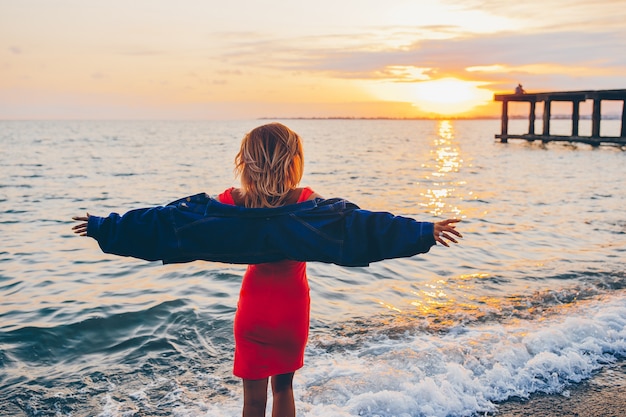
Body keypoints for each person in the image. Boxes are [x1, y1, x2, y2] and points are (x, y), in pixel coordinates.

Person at [72, 122, 462, 417]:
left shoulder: (232, 204)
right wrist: (422, 231)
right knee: (284, 390)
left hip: (254, 311)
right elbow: (361, 227)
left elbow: (171, 223)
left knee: (253, 396)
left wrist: (106, 226)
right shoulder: (308, 203)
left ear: (246, 163)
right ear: (294, 162)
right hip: (292, 310)